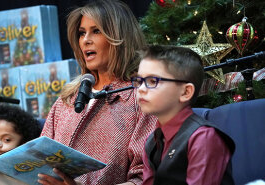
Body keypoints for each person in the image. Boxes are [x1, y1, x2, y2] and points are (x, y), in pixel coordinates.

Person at [38, 0, 157, 185]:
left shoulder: (140, 97)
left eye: (96, 31)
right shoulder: (67, 99)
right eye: (82, 33)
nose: (86, 40)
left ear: (120, 38)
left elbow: (143, 178)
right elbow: (39, 160)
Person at [131, 45, 235, 185]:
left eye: (152, 81)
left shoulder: (203, 138)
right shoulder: (152, 140)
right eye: (139, 81)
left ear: (186, 92)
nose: (141, 89)